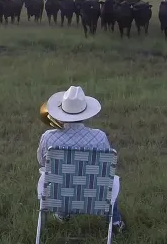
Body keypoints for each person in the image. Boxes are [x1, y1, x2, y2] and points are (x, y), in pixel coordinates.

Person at [37, 85, 125, 232]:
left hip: (59, 195)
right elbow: (106, 168)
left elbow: (41, 162)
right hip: (94, 196)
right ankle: (115, 221)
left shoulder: (48, 138)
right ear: (86, 113)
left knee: (56, 176)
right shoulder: (99, 136)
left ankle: (62, 212)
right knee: (110, 179)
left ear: (61, 112)